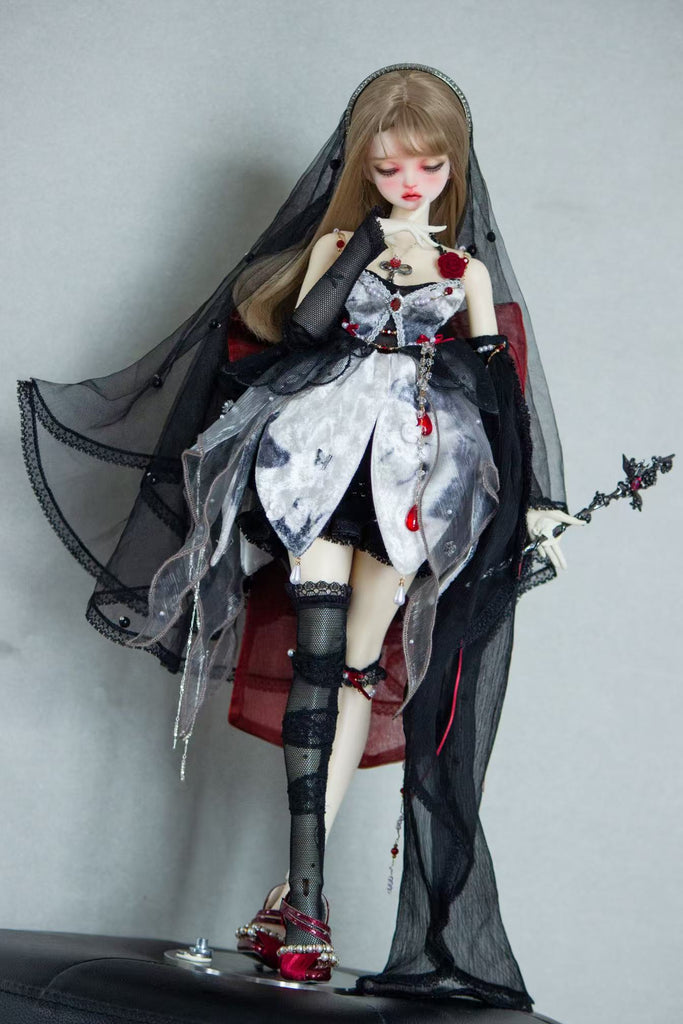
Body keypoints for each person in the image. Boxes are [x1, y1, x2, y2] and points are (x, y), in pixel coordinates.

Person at [18, 64, 583, 1008]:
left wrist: (528, 502)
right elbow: (308, 331)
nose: (410, 183)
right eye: (389, 166)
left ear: (453, 167)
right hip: (321, 457)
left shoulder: (466, 274)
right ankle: (310, 904)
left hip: (417, 476)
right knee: (318, 661)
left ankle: (293, 898)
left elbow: (498, 387)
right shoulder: (339, 246)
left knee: (358, 666)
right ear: (363, 166)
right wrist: (367, 245)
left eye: (428, 167)